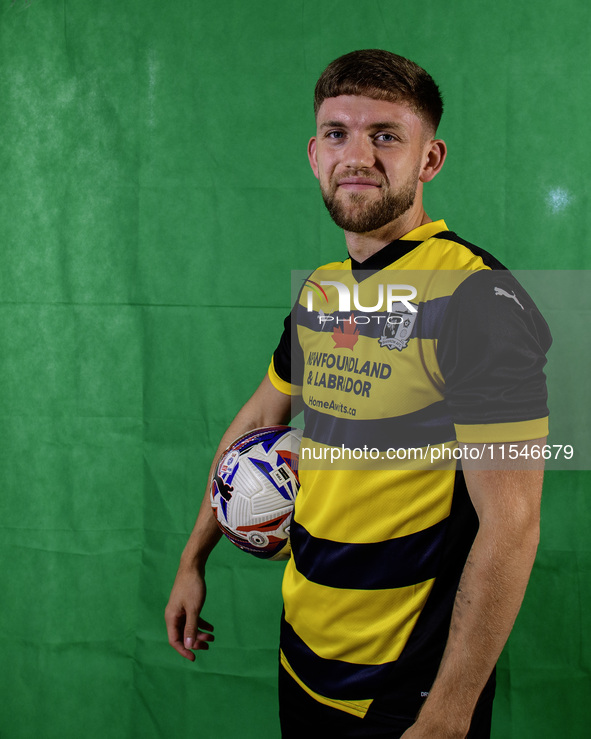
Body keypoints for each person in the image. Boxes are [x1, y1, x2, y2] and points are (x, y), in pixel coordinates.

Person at [165, 49, 551, 738]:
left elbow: (511, 524)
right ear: (314, 155)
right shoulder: (321, 288)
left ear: (428, 159)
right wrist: (194, 556)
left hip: (406, 686)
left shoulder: (475, 299)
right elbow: (257, 416)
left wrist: (449, 712)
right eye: (337, 133)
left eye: (384, 135)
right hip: (304, 652)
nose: (357, 154)